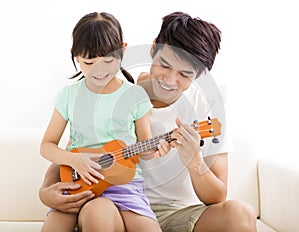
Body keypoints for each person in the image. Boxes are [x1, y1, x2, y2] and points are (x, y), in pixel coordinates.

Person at [39, 11, 257, 232]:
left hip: (175, 211)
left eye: (185, 74)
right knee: (99, 211)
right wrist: (45, 191)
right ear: (153, 48)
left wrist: (194, 161)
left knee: (241, 214)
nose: (170, 80)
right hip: (112, 206)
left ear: (200, 74)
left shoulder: (207, 108)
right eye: (164, 65)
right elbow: (77, 148)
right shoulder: (115, 92)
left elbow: (217, 196)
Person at [39, 11, 168, 232]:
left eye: (108, 60)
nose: (99, 70)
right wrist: (75, 159)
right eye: (89, 62)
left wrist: (158, 147)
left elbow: (144, 148)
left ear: (123, 50)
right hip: (76, 183)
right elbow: (46, 146)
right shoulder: (69, 95)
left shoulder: (135, 96)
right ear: (75, 56)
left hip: (124, 185)